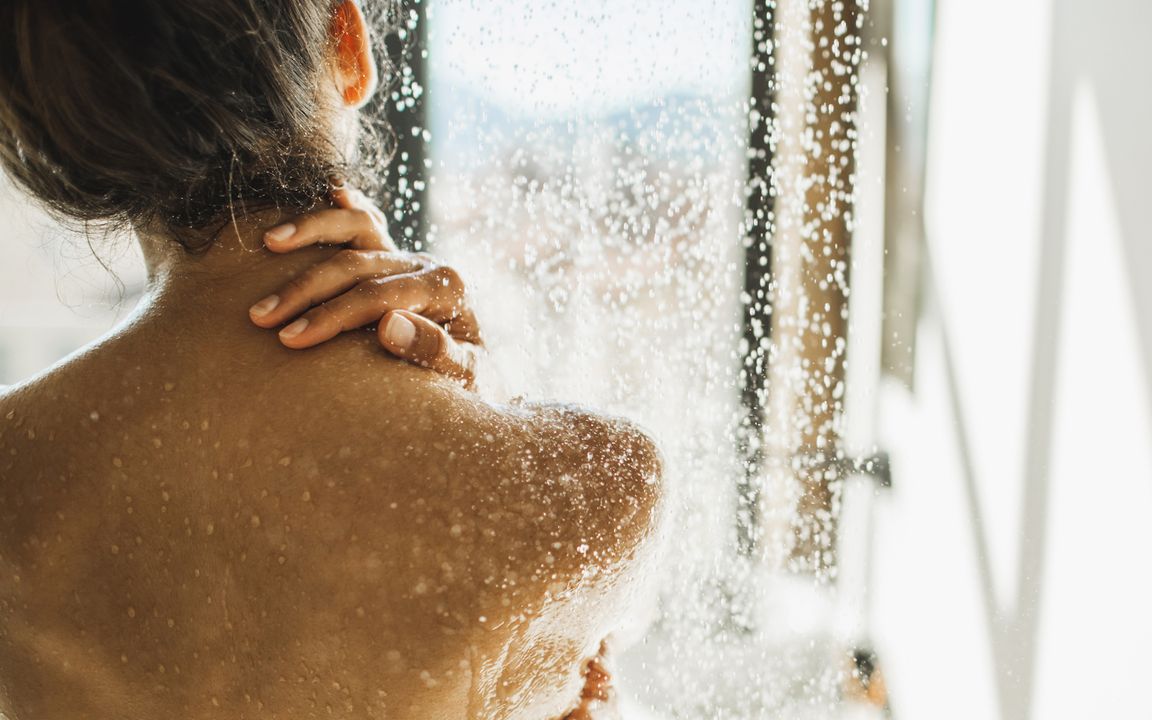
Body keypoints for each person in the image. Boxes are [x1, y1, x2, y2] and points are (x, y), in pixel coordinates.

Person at [0, 1, 665, 718]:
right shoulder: (593, 478)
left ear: (58, 146)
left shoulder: (15, 467)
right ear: (348, 42)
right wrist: (485, 389)